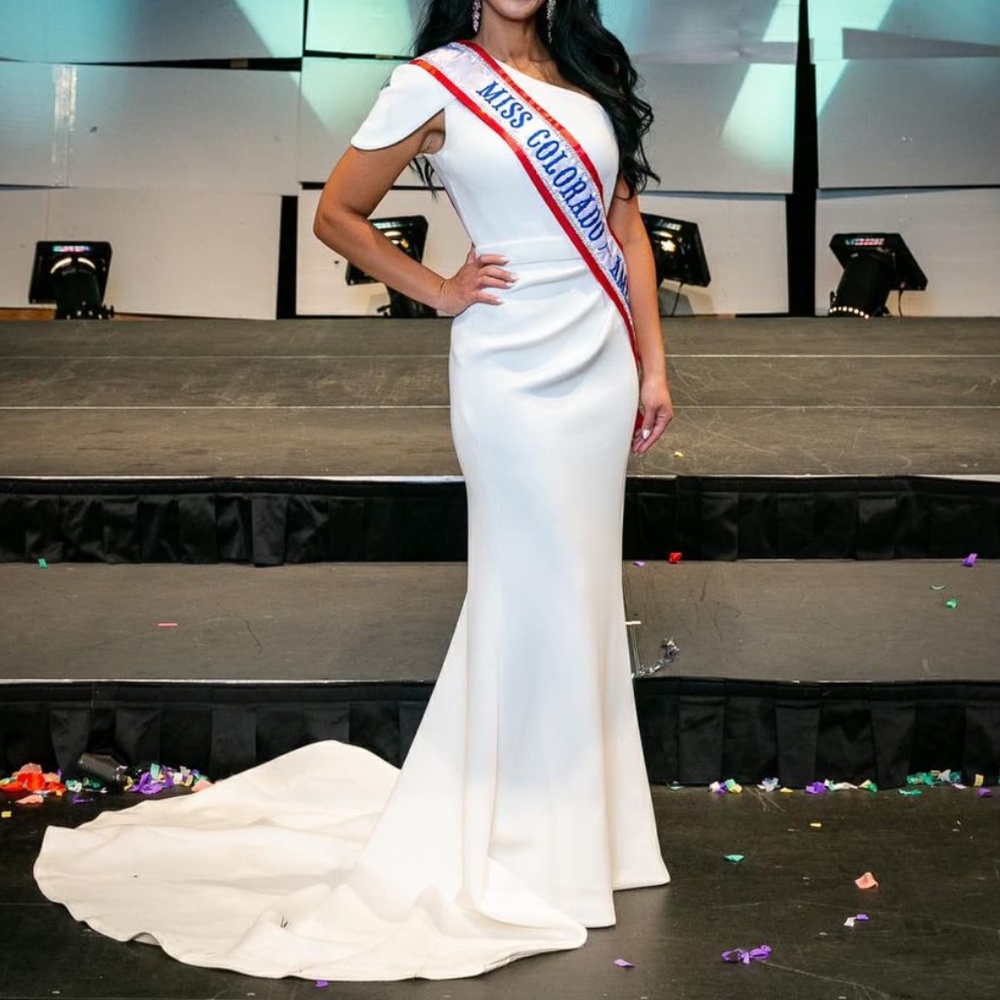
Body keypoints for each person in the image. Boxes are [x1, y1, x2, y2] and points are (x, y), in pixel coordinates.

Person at [34, 0, 674, 982]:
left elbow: (625, 228)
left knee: (582, 592)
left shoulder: (585, 77)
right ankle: (520, 831)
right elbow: (337, 212)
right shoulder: (436, 81)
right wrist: (437, 287)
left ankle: (586, 830)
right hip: (508, 366)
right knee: (529, 586)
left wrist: (653, 364)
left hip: (597, 366)